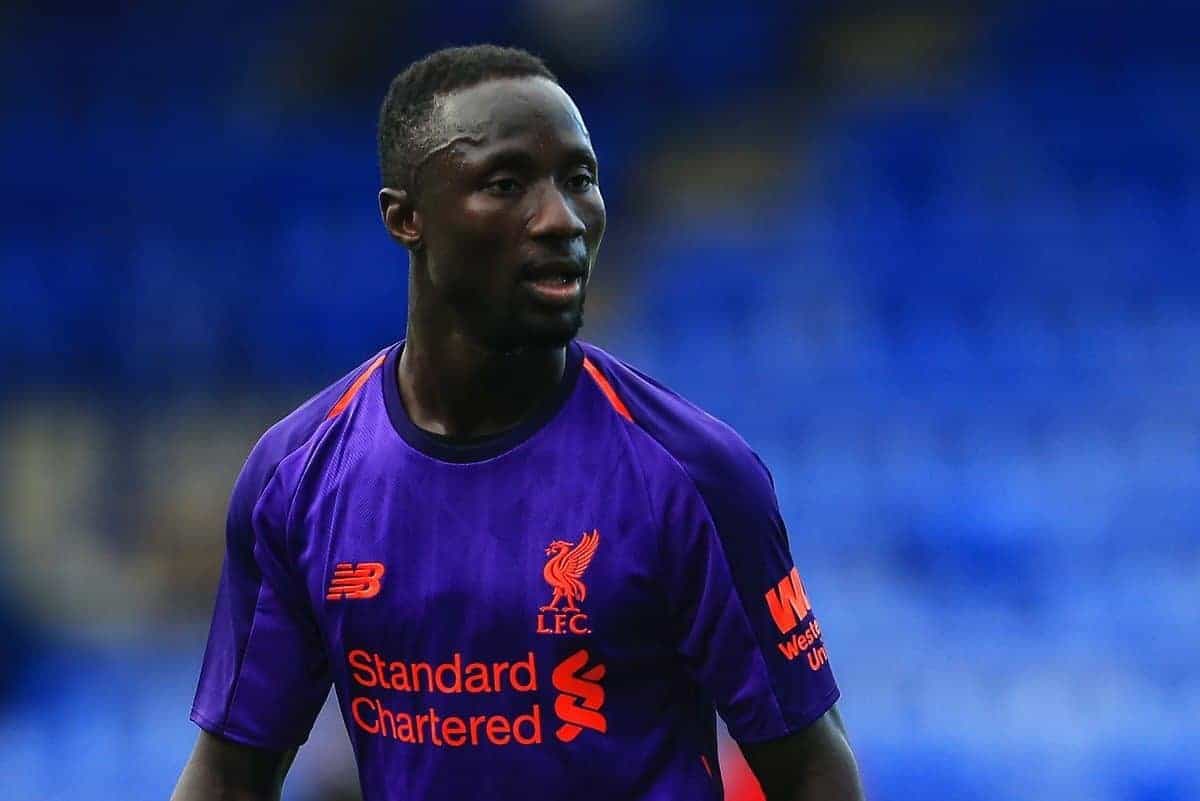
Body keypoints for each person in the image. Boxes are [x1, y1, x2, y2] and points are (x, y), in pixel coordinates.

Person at [172, 44, 864, 801]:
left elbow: (811, 772)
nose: (561, 218)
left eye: (580, 179)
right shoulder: (298, 478)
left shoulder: (694, 473)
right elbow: (229, 774)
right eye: (506, 183)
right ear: (406, 217)